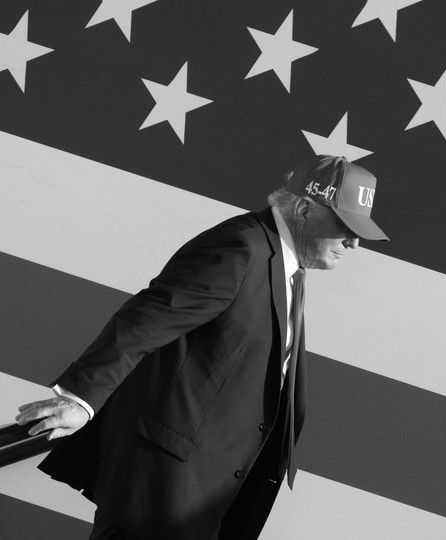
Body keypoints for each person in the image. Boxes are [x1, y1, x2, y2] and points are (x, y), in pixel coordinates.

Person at [13, 155, 389, 540]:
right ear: (305, 210)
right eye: (345, 226)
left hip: (207, 498)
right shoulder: (241, 247)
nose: (354, 242)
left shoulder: (290, 268)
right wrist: (81, 398)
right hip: (162, 495)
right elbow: (145, 320)